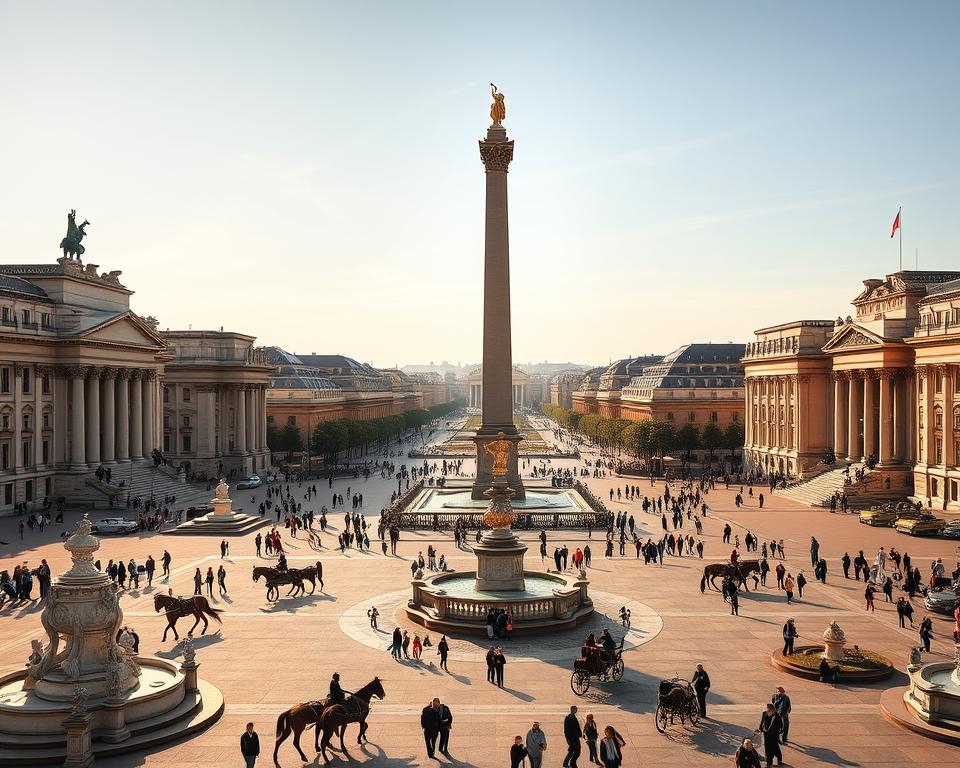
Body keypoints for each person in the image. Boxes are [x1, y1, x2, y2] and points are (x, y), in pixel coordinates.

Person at [756, 703, 783, 767]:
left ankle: (779, 759)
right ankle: (769, 763)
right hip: (766, 735)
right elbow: (762, 722)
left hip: (774, 736)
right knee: (767, 749)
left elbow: (781, 727)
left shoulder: (777, 717)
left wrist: (778, 735)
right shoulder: (764, 713)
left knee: (775, 748)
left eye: (769, 711)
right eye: (767, 709)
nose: (768, 712)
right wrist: (760, 729)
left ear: (773, 710)